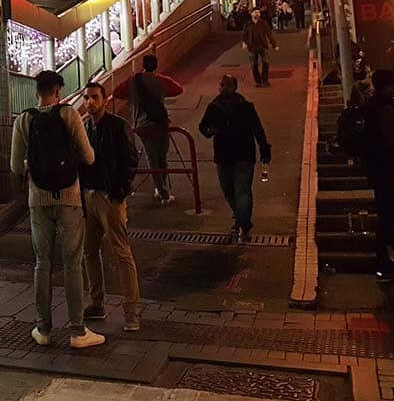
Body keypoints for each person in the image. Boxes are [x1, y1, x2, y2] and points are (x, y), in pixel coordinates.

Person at [10, 71, 104, 349]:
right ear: (58, 90)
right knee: (72, 263)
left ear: (36, 91)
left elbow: (16, 167)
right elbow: (89, 156)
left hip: (38, 200)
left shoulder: (24, 119)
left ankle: (44, 329)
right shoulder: (69, 115)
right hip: (69, 198)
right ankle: (77, 331)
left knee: (43, 263)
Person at [80, 82, 142, 332]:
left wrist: (120, 191)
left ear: (104, 99)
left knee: (121, 253)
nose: (90, 102)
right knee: (89, 251)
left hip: (109, 196)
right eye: (87, 98)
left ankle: (132, 310)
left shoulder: (117, 126)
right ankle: (96, 302)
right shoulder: (85, 128)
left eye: (95, 97)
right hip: (89, 196)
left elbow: (130, 159)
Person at [198, 75, 271, 242]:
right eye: (223, 85)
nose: (224, 88)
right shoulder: (226, 107)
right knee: (236, 190)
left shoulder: (228, 107)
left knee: (235, 190)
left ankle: (242, 222)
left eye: (226, 85)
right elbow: (257, 130)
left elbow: (203, 127)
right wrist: (264, 150)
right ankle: (242, 220)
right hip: (235, 154)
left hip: (233, 154)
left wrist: (210, 131)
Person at [113, 54, 183, 205]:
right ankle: (163, 190)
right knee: (162, 157)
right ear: (156, 65)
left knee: (152, 158)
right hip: (161, 123)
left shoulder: (133, 81)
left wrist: (133, 96)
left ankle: (162, 190)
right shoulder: (161, 80)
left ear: (143, 65)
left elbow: (117, 92)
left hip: (142, 125)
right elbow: (178, 89)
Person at [361, 69, 394, 281]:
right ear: (388, 86)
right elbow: (392, 139)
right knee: (392, 205)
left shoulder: (372, 106)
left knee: (387, 208)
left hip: (375, 166)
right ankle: (384, 259)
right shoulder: (383, 108)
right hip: (383, 166)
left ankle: (385, 256)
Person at [242, 8, 279, 87]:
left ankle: (265, 80)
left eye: (258, 12)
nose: (257, 14)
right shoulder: (248, 24)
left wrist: (274, 45)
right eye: (255, 12)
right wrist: (244, 43)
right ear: (251, 14)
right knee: (254, 65)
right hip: (252, 47)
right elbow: (244, 35)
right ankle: (258, 81)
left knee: (266, 63)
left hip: (263, 45)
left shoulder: (263, 23)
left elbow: (269, 34)